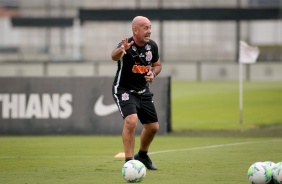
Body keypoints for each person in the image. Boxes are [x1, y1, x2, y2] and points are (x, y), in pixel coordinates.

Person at [111, 16, 162, 170]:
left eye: (150, 27)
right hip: (124, 90)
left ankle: (142, 155)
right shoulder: (126, 44)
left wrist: (153, 73)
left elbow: (158, 65)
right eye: (145, 28)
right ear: (135, 30)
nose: (149, 31)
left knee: (153, 127)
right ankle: (128, 163)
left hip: (143, 91)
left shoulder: (152, 46)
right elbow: (114, 56)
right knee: (131, 121)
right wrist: (121, 50)